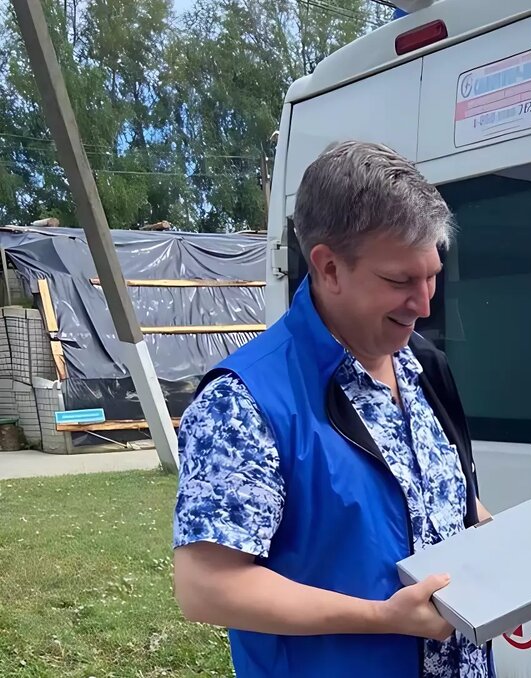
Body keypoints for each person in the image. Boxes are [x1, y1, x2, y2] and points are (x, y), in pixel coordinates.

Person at [171, 140, 494, 678]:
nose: (425, 303)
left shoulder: (425, 367)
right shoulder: (245, 401)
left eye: (433, 273)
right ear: (328, 268)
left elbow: (451, 503)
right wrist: (382, 618)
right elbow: (207, 586)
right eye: (400, 281)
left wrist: (507, 554)